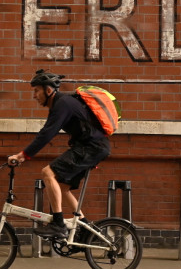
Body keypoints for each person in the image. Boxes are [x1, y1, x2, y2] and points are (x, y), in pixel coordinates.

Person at [8, 69, 111, 239]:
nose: (34, 95)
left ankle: (58, 225)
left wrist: (23, 155)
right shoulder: (62, 104)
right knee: (62, 187)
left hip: (91, 147)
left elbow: (47, 133)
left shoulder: (62, 104)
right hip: (92, 147)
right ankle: (85, 228)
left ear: (48, 90)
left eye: (37, 90)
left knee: (47, 173)